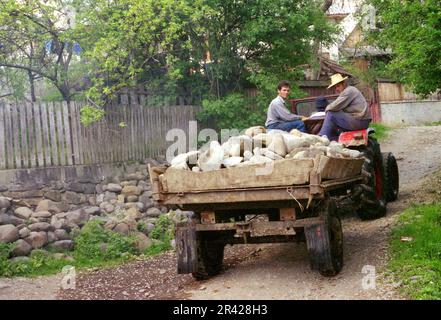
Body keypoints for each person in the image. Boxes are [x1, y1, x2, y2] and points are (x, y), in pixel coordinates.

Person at [319, 74, 372, 141]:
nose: (337, 89)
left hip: (360, 121)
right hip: (361, 120)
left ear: (343, 83)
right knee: (334, 117)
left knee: (331, 113)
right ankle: (333, 139)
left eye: (338, 86)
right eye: (335, 87)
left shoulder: (348, 91)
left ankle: (322, 138)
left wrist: (326, 110)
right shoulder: (348, 91)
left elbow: (333, 106)